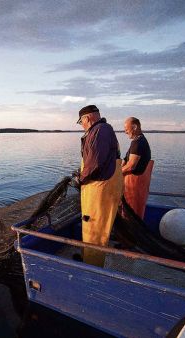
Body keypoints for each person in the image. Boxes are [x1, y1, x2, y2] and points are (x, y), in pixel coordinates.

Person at [74, 105, 123, 267]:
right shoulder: (102, 129)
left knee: (95, 226)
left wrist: (80, 178)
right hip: (99, 184)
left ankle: (92, 266)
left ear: (87, 118)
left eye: (81, 122)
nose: (82, 125)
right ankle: (89, 258)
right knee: (91, 223)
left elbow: (94, 162)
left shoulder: (100, 130)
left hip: (100, 186)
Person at [121, 117, 153, 219]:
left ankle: (129, 233)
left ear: (134, 127)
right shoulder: (140, 140)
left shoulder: (137, 142)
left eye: (126, 129)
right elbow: (127, 161)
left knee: (130, 214)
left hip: (134, 186)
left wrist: (116, 173)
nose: (125, 132)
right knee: (136, 213)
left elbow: (131, 166)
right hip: (140, 185)